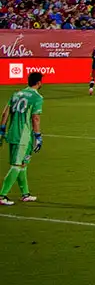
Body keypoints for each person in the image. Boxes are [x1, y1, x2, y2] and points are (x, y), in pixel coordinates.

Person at [1, 71, 42, 205]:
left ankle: (25, 194)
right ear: (39, 83)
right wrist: (38, 136)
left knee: (23, 164)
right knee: (17, 165)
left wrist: (2, 130)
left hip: (12, 133)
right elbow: (35, 118)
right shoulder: (37, 97)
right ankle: (2, 195)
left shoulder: (16, 94)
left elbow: (5, 113)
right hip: (23, 136)